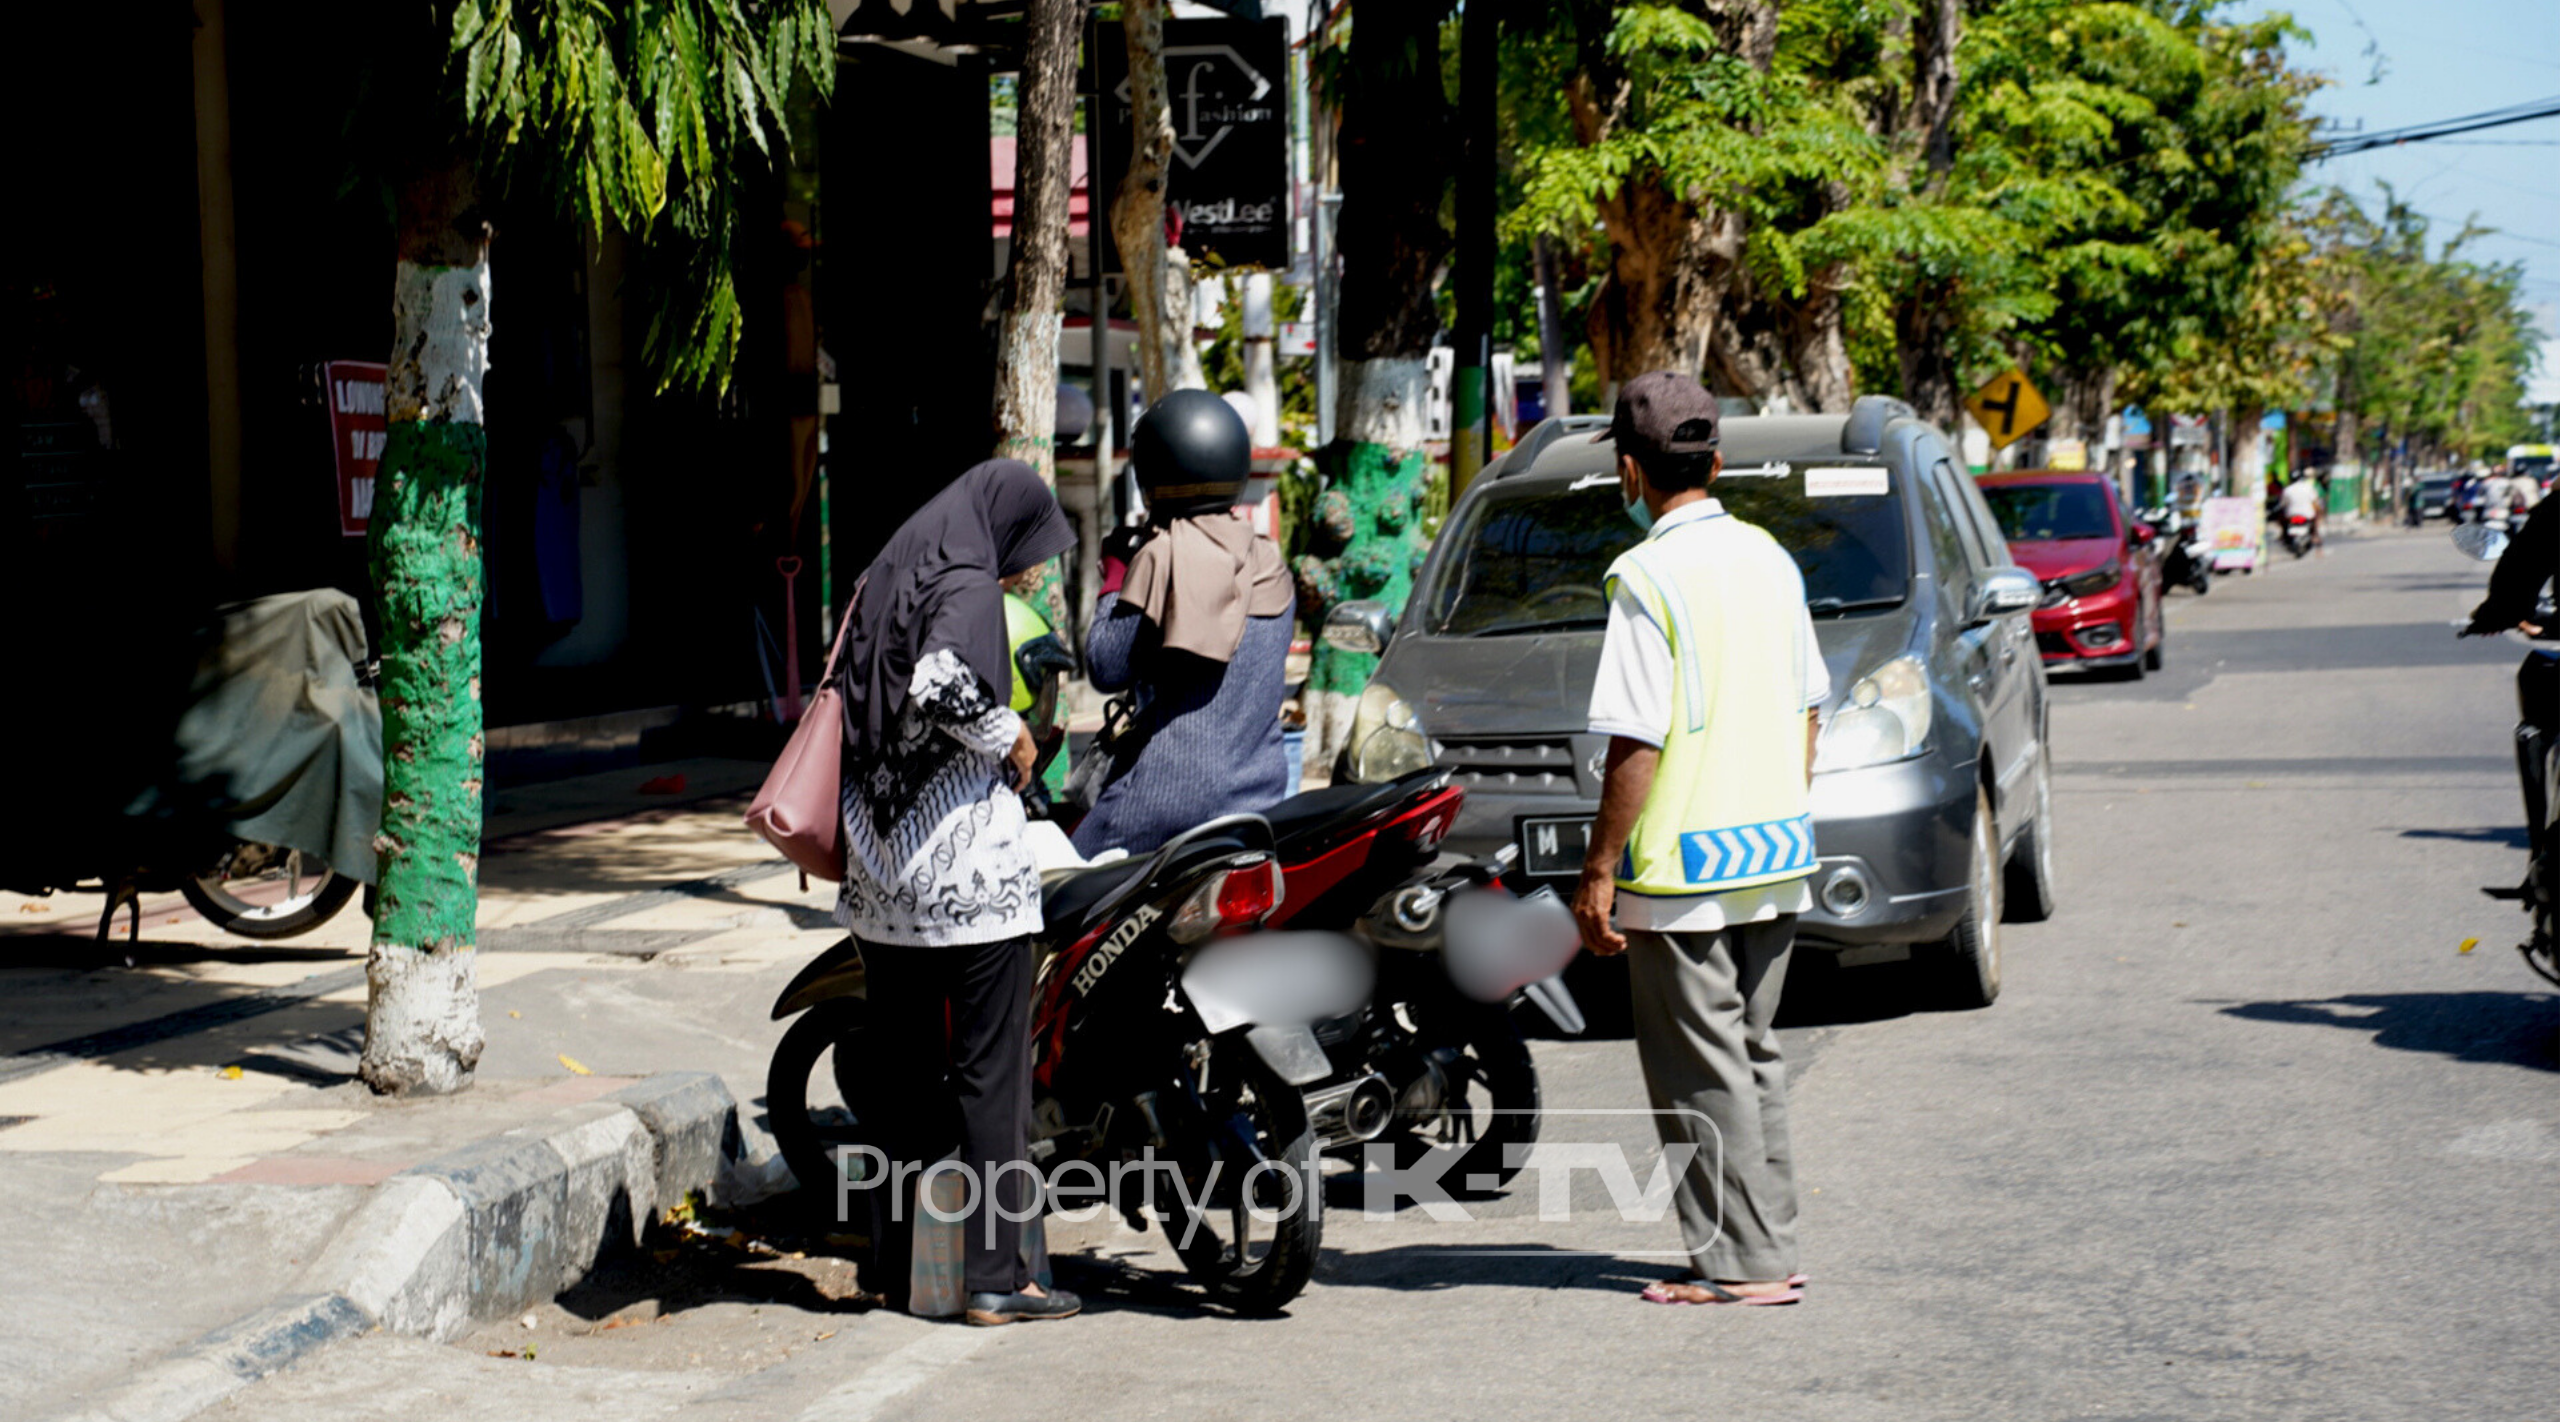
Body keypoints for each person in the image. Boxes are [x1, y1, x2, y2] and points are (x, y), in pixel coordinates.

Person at [1569, 372, 1829, 1308]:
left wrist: (1600, 869)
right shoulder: (1770, 557)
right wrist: (1778, 811)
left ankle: (1743, 1267)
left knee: (1697, 1071)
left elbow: (1635, 741)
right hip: (1776, 852)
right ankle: (1771, 1243)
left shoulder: (1646, 576)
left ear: (1630, 474)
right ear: (1716, 462)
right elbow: (1808, 708)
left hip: (1682, 868)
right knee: (1752, 1056)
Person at [835, 459, 1082, 1327]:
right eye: (1025, 548)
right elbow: (942, 684)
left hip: (882, 879)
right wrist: (1010, 730)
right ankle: (995, 1277)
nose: (1022, 569)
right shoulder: (968, 585)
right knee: (990, 1079)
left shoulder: (883, 577)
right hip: (968, 882)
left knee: (904, 1081)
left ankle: (898, 1270)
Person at [1071, 390, 1294, 857]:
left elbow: (1106, 665)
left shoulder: (1160, 555)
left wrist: (1115, 578)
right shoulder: (1268, 560)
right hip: (1259, 797)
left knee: (1060, 892)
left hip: (1160, 801)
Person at [2280, 472, 2324, 550]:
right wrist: (2319, 512)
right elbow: (2315, 502)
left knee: (2282, 520)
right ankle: (2315, 535)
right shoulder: (2308, 487)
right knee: (2316, 520)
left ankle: (2284, 535)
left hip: (2291, 515)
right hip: (2307, 515)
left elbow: (2283, 504)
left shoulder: (2287, 490)